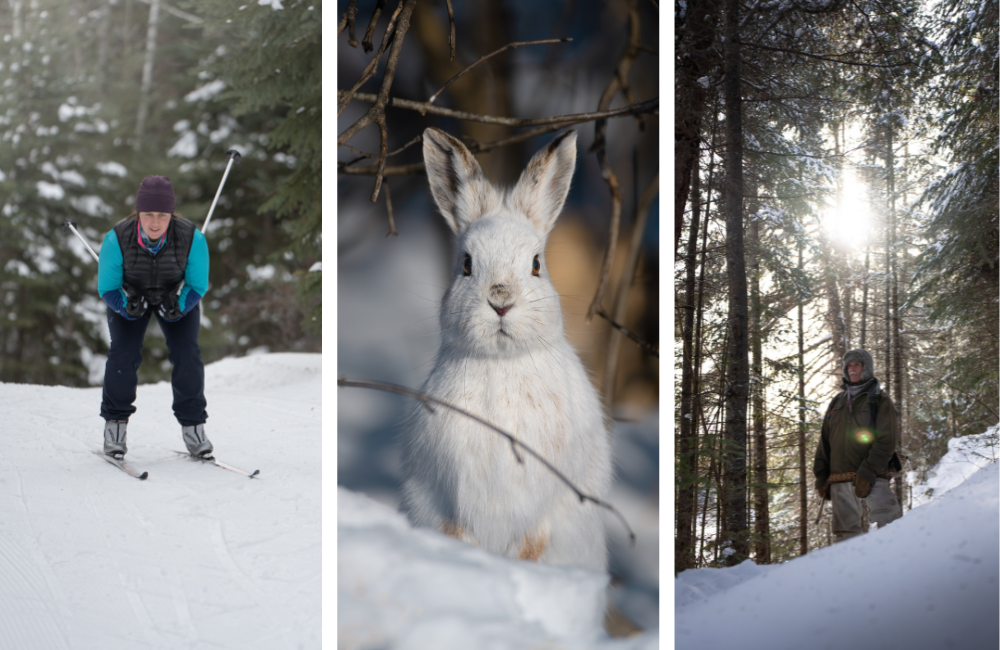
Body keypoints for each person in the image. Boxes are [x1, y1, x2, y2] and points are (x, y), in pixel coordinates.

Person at [97, 175, 212, 459]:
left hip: (175, 295)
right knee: (123, 353)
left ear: (171, 214)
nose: (155, 222)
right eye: (148, 214)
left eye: (162, 215)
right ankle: (116, 425)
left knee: (187, 353)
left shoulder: (192, 238)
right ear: (138, 213)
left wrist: (181, 305)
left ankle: (193, 426)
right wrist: (126, 306)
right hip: (129, 296)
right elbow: (107, 287)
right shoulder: (116, 239)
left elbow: (198, 285)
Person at [814, 349, 903, 542]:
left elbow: (886, 441)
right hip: (839, 478)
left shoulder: (880, 400)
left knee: (890, 522)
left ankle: (895, 565)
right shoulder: (836, 402)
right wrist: (821, 475)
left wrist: (867, 471)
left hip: (873, 475)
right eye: (848, 365)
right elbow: (825, 442)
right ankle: (849, 570)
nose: (851, 369)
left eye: (856, 365)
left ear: (866, 368)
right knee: (845, 534)